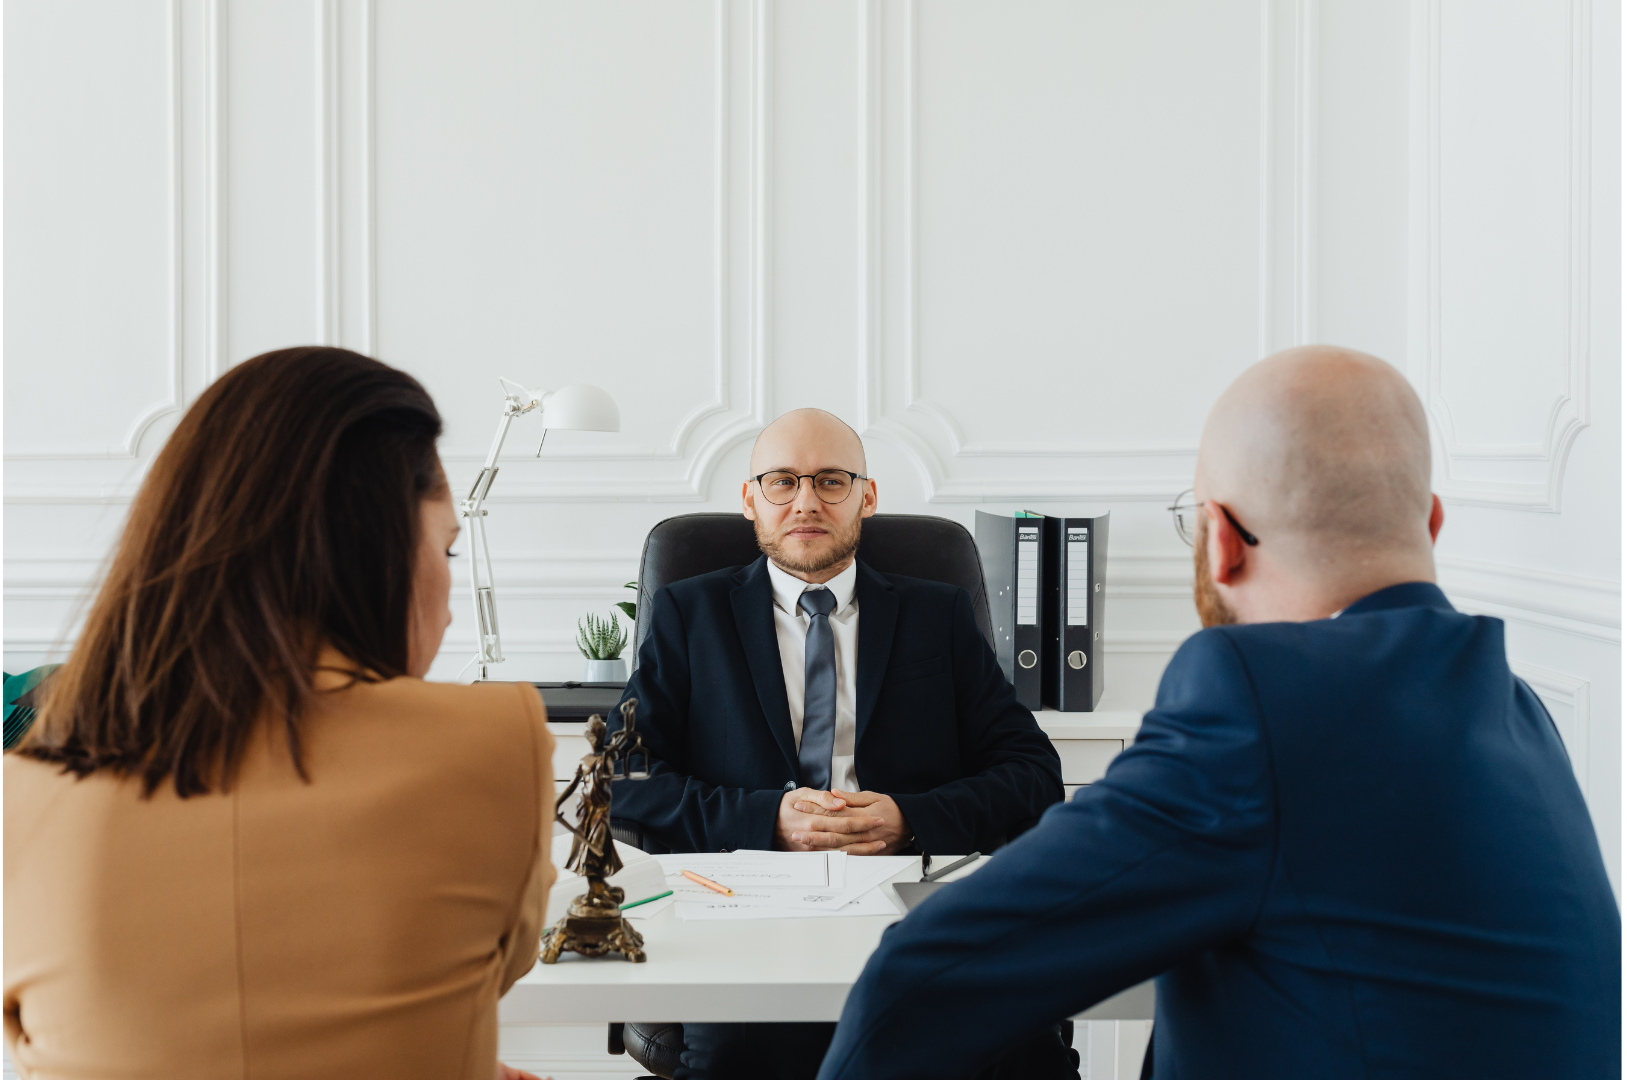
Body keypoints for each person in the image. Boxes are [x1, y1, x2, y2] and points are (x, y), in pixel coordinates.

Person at [817, 347, 1621, 1080]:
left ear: (1221, 541)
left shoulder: (1263, 697)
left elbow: (916, 982)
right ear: (1431, 523)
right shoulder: (1516, 710)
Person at [5, 347, 556, 1080]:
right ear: (379, 550)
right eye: (448, 553)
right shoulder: (496, 739)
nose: (452, 609)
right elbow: (482, 966)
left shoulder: (24, 789)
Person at [610, 409, 1070, 1079]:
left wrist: (910, 817)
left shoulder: (936, 613)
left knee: (1025, 1051)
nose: (805, 502)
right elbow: (624, 777)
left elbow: (1032, 773)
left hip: (907, 896)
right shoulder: (690, 613)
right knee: (736, 1054)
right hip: (749, 905)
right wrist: (767, 817)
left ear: (867, 496)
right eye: (781, 481)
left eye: (830, 480)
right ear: (750, 500)